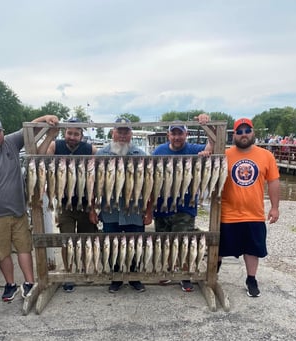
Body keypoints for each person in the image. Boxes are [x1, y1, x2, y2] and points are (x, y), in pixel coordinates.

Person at [0, 114, 59, 302]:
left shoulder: (10, 143)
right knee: (3, 251)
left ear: (2, 131)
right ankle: (10, 284)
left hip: (19, 211)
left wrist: (46, 118)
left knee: (24, 247)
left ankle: (30, 283)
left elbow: (30, 129)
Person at [217, 117, 280, 297]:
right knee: (219, 247)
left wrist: (275, 207)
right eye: (239, 131)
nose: (243, 135)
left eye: (247, 131)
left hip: (254, 213)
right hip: (228, 213)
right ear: (234, 135)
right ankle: (212, 276)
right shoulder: (225, 155)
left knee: (252, 249)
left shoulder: (266, 155)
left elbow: (273, 182)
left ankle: (251, 279)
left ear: (253, 132)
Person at [152, 115, 214, 292]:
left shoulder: (193, 149)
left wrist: (207, 127)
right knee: (164, 241)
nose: (177, 137)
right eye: (174, 134)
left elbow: (214, 146)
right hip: (162, 204)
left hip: (185, 206)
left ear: (186, 134)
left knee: (184, 241)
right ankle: (166, 269)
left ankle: (185, 275)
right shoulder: (159, 151)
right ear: (168, 135)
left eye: (180, 134)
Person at [38, 117, 98, 293]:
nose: (72, 136)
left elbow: (97, 179)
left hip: (86, 203)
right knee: (67, 240)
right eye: (69, 133)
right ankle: (69, 272)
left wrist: (94, 207)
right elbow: (40, 156)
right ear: (65, 132)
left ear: (81, 134)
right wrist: (50, 135)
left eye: (76, 133)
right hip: (65, 204)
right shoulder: (55, 146)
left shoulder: (90, 149)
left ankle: (86, 269)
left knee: (87, 240)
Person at [96, 117, 151, 293]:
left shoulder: (141, 156)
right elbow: (94, 186)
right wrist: (92, 209)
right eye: (119, 131)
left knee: (136, 243)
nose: (122, 135)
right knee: (112, 244)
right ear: (113, 132)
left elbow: (150, 187)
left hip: (135, 211)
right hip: (109, 210)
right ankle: (116, 276)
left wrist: (149, 210)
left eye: (126, 131)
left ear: (131, 134)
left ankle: (134, 276)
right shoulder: (101, 155)